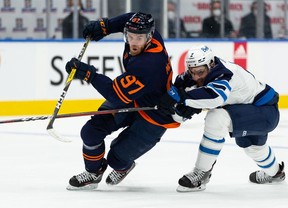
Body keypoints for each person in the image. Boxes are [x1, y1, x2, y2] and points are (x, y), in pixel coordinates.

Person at [64, 12, 180, 190]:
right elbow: (130, 18)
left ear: (149, 36)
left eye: (139, 38)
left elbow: (115, 95)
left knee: (116, 159)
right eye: (130, 36)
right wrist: (106, 26)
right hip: (135, 99)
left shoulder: (149, 63)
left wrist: (89, 75)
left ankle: (124, 166)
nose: (133, 42)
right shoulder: (146, 33)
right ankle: (93, 173)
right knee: (91, 132)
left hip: (155, 114)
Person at [158, 44, 285, 192]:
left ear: (211, 64)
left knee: (217, 118)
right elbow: (181, 103)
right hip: (248, 110)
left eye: (200, 72)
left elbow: (216, 97)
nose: (196, 77)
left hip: (265, 112)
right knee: (254, 148)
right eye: (192, 72)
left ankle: (201, 173)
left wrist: (182, 99)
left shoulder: (224, 73)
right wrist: (177, 109)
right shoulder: (191, 76)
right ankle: (276, 173)